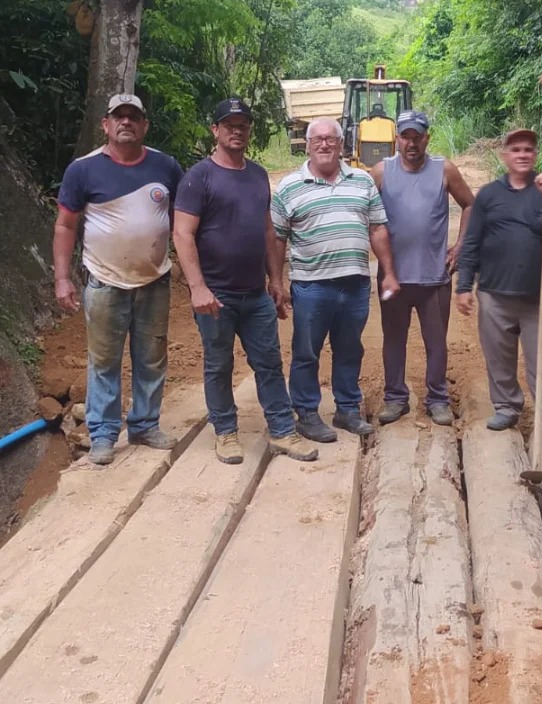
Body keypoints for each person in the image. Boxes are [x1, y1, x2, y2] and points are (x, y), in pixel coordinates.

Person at [173, 98, 314, 465]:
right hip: (215, 295)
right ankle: (225, 432)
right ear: (215, 130)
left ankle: (282, 430)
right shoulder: (198, 177)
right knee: (218, 365)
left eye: (243, 124)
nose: (237, 130)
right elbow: (182, 235)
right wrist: (197, 287)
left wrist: (276, 280)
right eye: (229, 124)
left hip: (255, 295)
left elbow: (268, 231)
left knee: (268, 363)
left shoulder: (256, 174)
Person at [53, 93, 183, 466]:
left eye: (134, 117)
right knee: (104, 360)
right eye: (118, 117)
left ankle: (144, 424)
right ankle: (104, 434)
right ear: (105, 125)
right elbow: (65, 224)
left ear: (144, 125)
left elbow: (184, 220)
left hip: (154, 281)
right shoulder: (83, 169)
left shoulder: (166, 166)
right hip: (105, 281)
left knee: (152, 357)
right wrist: (62, 278)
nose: (126, 122)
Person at [271, 117, 399, 441]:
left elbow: (378, 228)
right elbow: (276, 238)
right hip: (311, 285)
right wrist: (275, 280)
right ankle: (307, 413)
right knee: (306, 351)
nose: (325, 144)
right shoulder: (288, 187)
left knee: (349, 349)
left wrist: (389, 272)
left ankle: (346, 409)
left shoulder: (363, 181)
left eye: (331, 139)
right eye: (318, 139)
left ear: (341, 144)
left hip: (355, 284)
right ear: (308, 144)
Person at [455, 128, 542, 438]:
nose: (523, 155)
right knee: (498, 356)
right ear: (505, 156)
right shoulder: (489, 195)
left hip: (539, 296)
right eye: (516, 150)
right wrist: (464, 286)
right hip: (495, 294)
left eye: (528, 150)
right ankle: (507, 407)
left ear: (535, 155)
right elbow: (471, 242)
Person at [371, 110, 475, 427]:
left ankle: (438, 398)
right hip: (393, 276)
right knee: (393, 339)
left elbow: (470, 204)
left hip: (434, 276)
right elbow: (362, 210)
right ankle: (395, 398)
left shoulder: (444, 170)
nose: (411, 143)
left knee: (436, 341)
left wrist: (460, 247)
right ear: (397, 138)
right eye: (406, 136)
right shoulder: (380, 172)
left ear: (427, 137)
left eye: (417, 136)